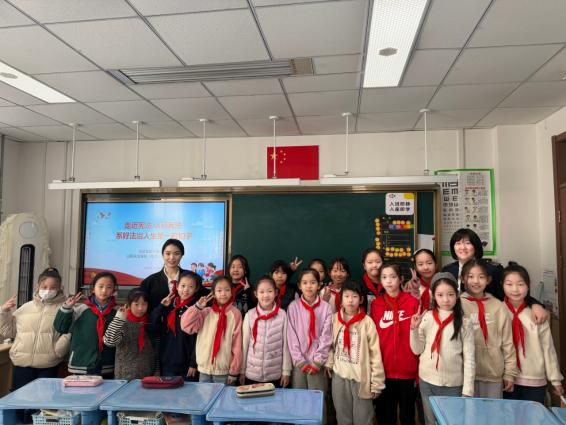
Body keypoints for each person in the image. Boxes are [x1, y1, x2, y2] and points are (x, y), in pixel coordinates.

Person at [409, 273, 475, 425]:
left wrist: (468, 390)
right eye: (440, 295)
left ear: (457, 295)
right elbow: (417, 350)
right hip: (427, 381)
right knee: (430, 420)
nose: (446, 300)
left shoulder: (464, 322)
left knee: (451, 421)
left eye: (450, 294)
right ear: (433, 295)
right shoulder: (427, 317)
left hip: (453, 385)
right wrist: (413, 329)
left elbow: (470, 359)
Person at [501, 262, 564, 403]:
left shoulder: (538, 314)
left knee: (535, 414)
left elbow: (548, 348)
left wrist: (555, 379)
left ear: (528, 286)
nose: (515, 289)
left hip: (534, 378)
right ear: (502, 285)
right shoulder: (498, 310)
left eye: (520, 284)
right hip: (506, 378)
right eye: (509, 284)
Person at [0, 268, 70, 393]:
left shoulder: (64, 309)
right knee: (20, 399)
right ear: (38, 286)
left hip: (48, 365)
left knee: (43, 401)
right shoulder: (25, 308)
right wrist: (3, 312)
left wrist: (58, 351)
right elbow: (8, 332)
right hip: (22, 364)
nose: (48, 290)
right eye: (45, 286)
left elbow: (69, 332)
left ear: (60, 288)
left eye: (53, 287)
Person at [326, 280, 385, 425]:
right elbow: (330, 345)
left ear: (361, 299)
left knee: (363, 419)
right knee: (342, 417)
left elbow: (375, 355)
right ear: (341, 299)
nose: (350, 300)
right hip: (340, 376)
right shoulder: (334, 319)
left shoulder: (367, 322)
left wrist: (377, 383)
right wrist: (329, 362)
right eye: (346, 296)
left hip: (361, 379)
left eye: (354, 296)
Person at [460, 259, 517, 398]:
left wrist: (510, 373)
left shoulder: (498, 306)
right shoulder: (457, 304)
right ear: (463, 279)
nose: (476, 281)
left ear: (488, 280)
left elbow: (508, 342)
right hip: (465, 375)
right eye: (471, 276)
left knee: (493, 411)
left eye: (481, 277)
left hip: (494, 373)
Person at [371, 264, 419, 425]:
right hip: (384, 371)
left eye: (393, 277)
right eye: (384, 277)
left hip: (408, 371)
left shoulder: (412, 302)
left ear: (401, 279)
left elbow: (419, 337)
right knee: (386, 417)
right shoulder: (376, 304)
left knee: (408, 417)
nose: (389, 281)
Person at [54, 271, 118, 376]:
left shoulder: (117, 313)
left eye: (109, 287)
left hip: (107, 365)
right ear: (93, 289)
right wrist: (66, 308)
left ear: (113, 290)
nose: (104, 290)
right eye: (100, 286)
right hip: (81, 363)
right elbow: (61, 328)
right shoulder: (81, 309)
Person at [181, 275, 242, 384]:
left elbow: (237, 344)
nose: (223, 294)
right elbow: (186, 326)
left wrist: (234, 371)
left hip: (224, 370)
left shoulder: (235, 314)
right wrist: (197, 307)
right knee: (204, 394)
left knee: (223, 395)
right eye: (219, 290)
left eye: (227, 290)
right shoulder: (205, 312)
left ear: (231, 292)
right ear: (213, 293)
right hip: (204, 369)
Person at [150, 270, 207, 380]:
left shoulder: (197, 308)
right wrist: (161, 307)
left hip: (187, 364)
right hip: (167, 360)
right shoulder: (169, 304)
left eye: (191, 287)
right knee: (168, 390)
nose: (186, 290)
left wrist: (193, 363)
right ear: (177, 286)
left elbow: (200, 338)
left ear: (196, 289)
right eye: (183, 285)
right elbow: (153, 327)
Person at [240, 276, 291, 387]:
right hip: (252, 374)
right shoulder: (250, 315)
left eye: (270, 291)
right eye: (262, 292)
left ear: (276, 293)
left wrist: (286, 371)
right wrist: (242, 370)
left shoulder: (282, 315)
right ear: (256, 294)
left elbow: (286, 345)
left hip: (275, 375)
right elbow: (244, 345)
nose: (266, 295)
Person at [287, 268, 333, 391]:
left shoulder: (326, 308)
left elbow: (327, 336)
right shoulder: (293, 307)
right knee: (299, 397)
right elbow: (291, 337)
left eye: (313, 282)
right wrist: (300, 361)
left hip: (318, 363)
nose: (309, 286)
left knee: (317, 397)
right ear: (299, 286)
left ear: (319, 285)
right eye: (305, 283)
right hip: (299, 363)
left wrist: (318, 361)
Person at [104, 288, 155, 380]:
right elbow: (109, 342)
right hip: (124, 377)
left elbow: (156, 350)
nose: (140, 308)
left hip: (148, 377)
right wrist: (119, 318)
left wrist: (156, 372)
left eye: (144, 304)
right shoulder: (122, 322)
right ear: (129, 304)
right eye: (136, 304)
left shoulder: (150, 322)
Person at [140, 239, 186, 313]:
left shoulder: (192, 278)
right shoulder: (149, 282)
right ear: (162, 255)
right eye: (168, 254)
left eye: (176, 253)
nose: (172, 257)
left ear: (182, 255)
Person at [360, 248, 384, 313]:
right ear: (364, 266)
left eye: (378, 262)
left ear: (383, 263)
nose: (374, 265)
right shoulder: (358, 285)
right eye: (370, 262)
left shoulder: (390, 284)